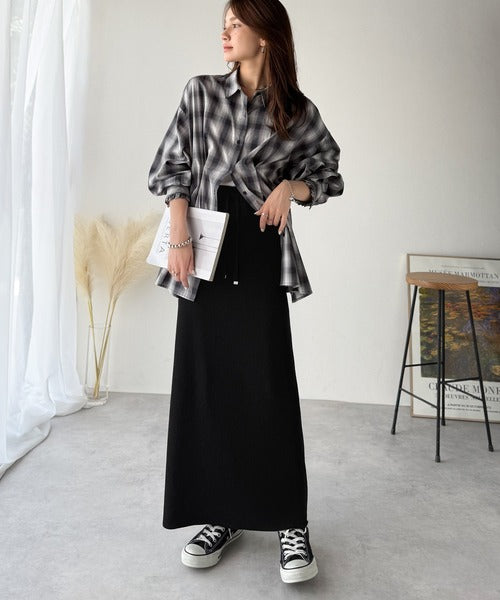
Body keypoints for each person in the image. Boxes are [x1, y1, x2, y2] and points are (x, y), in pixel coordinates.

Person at [147, 0, 344, 585]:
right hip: (203, 250)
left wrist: (291, 188)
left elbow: (331, 174)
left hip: (260, 251)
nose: (226, 32)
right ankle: (221, 514)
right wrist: (178, 232)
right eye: (224, 24)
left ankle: (290, 523)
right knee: (207, 388)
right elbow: (171, 166)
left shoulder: (297, 112)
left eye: (237, 23)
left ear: (267, 34)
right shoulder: (202, 91)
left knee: (268, 388)